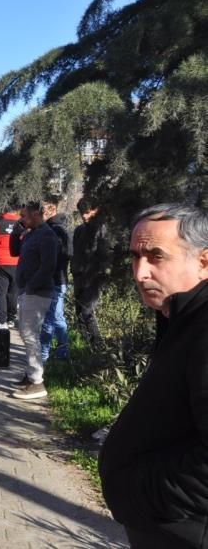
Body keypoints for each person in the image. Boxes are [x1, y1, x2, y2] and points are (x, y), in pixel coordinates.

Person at [99, 204, 208, 547]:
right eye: (134, 257)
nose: (139, 273)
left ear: (204, 261)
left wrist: (139, 495)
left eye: (155, 257)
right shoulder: (182, 316)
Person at [8, 201, 58, 400]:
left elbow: (48, 266)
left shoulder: (47, 235)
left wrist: (32, 286)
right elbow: (14, 252)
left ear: (37, 214)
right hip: (28, 291)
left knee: (30, 335)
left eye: (25, 216)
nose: (22, 219)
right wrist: (15, 232)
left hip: (38, 292)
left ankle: (37, 381)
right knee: (26, 334)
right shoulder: (31, 234)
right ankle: (31, 376)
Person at [71, 198, 108, 345]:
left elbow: (105, 255)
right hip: (79, 277)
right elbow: (75, 252)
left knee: (87, 312)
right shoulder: (79, 230)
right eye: (82, 213)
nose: (84, 216)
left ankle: (97, 346)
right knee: (79, 313)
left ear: (96, 210)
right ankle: (85, 347)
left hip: (94, 278)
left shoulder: (103, 229)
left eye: (87, 212)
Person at [40, 202, 73, 362]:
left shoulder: (53, 231)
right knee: (58, 317)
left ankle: (43, 357)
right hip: (60, 279)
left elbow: (55, 257)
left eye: (43, 212)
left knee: (48, 319)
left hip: (54, 280)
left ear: (49, 213)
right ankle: (63, 352)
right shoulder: (62, 229)